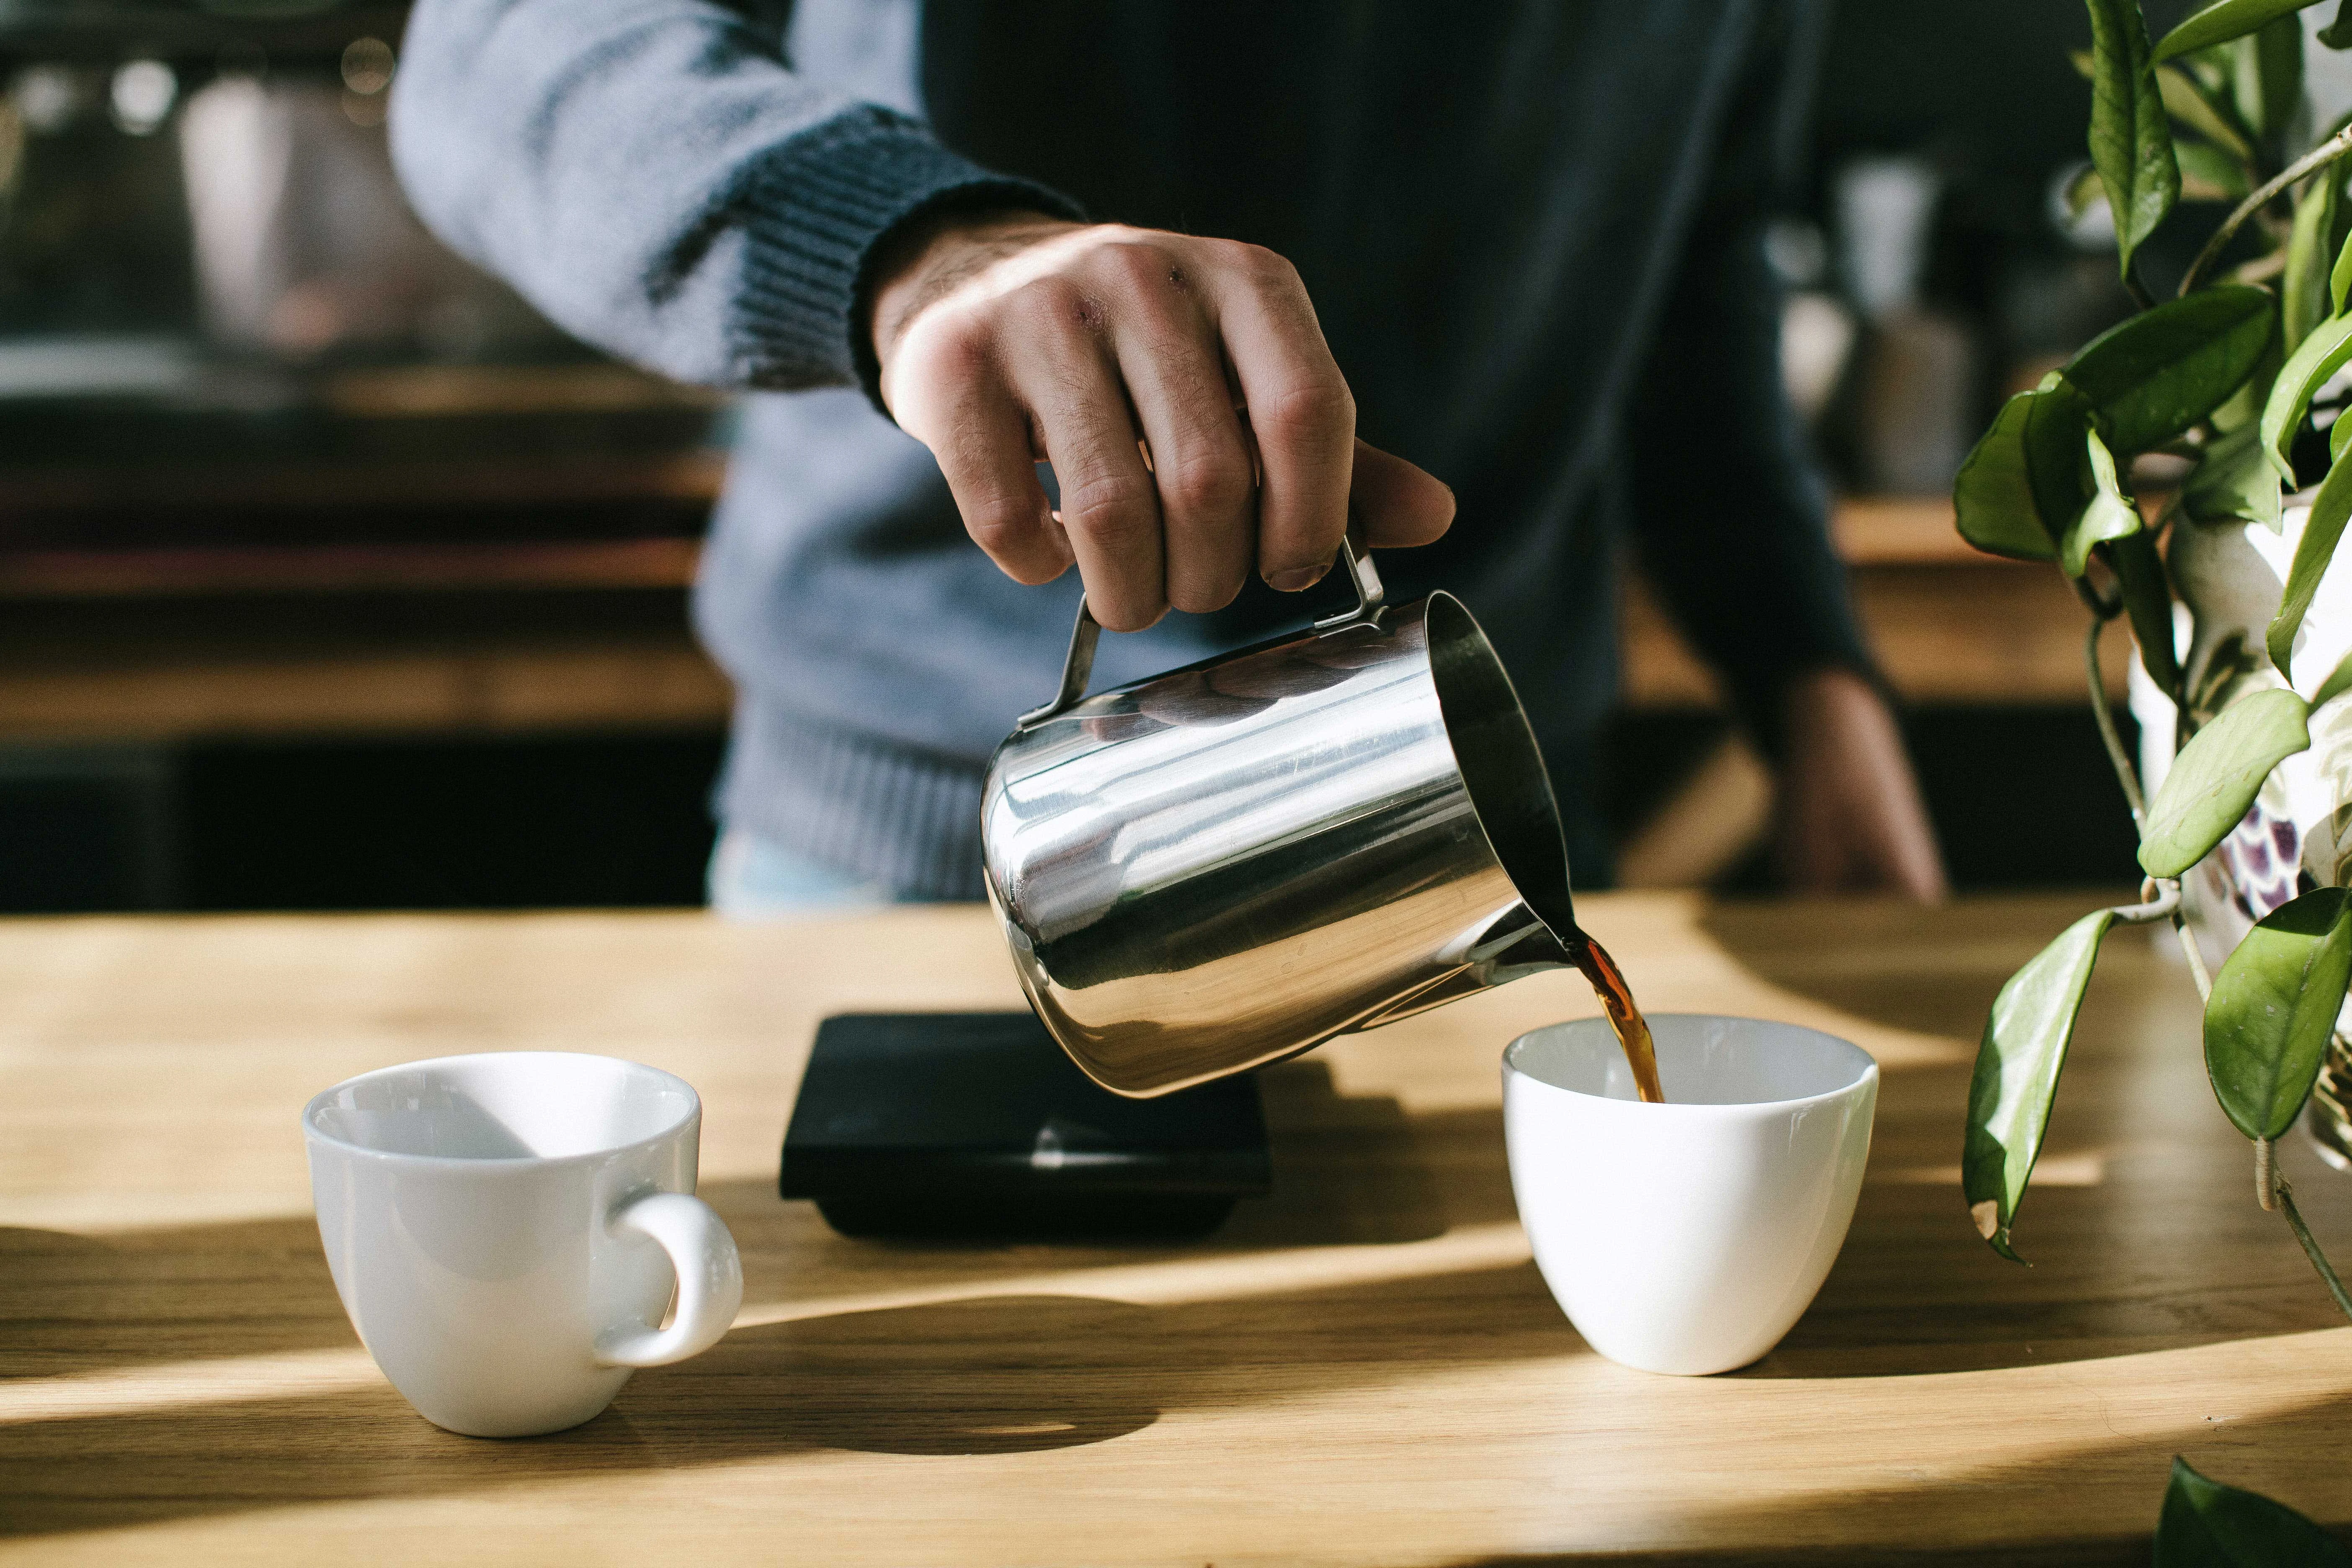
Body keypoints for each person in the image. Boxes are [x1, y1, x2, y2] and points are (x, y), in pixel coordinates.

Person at [390, 0, 1947, 914]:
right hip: (933, 866)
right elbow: (512, 48)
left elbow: (1691, 258)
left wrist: (1813, 686)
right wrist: (919, 250)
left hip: (1487, 847)